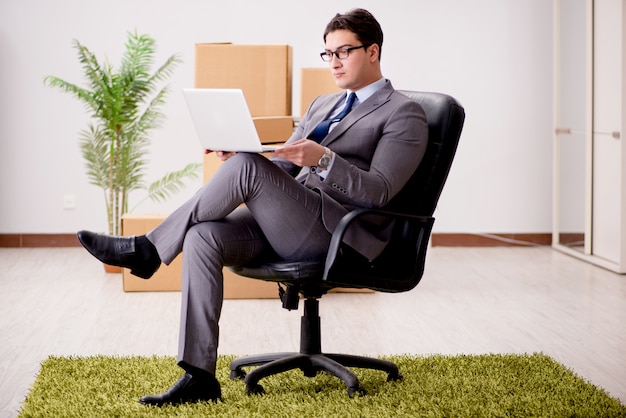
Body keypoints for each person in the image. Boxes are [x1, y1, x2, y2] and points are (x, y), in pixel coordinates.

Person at [77, 8, 428, 405]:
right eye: (327, 54)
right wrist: (240, 155)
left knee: (247, 168)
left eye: (343, 52)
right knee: (202, 235)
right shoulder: (323, 104)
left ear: (373, 51)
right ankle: (199, 378)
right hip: (289, 219)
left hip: (337, 233)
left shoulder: (404, 113)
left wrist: (323, 159)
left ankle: (148, 250)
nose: (334, 62)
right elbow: (280, 165)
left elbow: (379, 191)